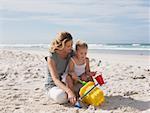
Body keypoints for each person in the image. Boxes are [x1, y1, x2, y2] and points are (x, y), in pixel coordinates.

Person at [45, 31, 76, 105]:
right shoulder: (51, 57)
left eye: (71, 45)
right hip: (54, 86)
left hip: (67, 82)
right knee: (61, 96)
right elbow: (55, 79)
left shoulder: (70, 53)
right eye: (68, 46)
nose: (71, 48)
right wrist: (69, 91)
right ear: (61, 45)